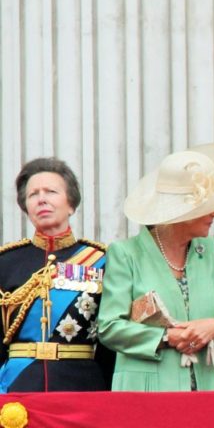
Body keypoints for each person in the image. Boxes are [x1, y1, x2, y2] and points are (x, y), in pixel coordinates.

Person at [97, 144, 214, 391]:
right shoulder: (126, 254)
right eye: (208, 206)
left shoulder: (210, 250)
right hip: (146, 390)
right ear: (183, 213)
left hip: (208, 386)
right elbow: (110, 327)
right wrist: (166, 337)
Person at [0, 158, 112, 392]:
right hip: (19, 384)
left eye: (51, 191)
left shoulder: (102, 260)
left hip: (82, 385)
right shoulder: (6, 262)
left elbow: (110, 340)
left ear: (71, 204)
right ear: (26, 207)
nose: (42, 199)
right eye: (33, 195)